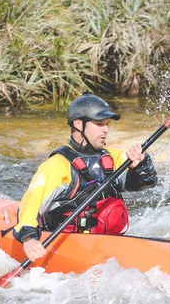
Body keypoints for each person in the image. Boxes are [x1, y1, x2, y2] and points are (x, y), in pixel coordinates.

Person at [12, 91, 158, 261]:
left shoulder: (112, 158)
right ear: (78, 124)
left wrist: (140, 163)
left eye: (107, 124)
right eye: (99, 124)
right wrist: (29, 239)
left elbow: (146, 182)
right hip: (68, 244)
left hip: (108, 242)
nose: (106, 130)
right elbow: (30, 204)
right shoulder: (57, 165)